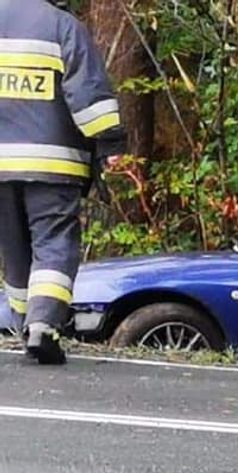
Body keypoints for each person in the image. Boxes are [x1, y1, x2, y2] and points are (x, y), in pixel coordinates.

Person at [0, 0, 127, 364]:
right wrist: (110, 142)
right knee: (54, 245)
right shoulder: (60, 26)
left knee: (14, 250)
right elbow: (88, 95)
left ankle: (24, 323)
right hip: (53, 165)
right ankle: (43, 327)